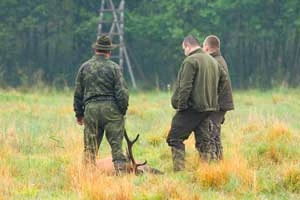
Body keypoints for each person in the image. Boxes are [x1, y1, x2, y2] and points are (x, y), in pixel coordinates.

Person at [166, 35, 227, 172]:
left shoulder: (190, 61)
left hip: (192, 109)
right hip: (208, 109)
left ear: (188, 46)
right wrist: (213, 96)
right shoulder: (212, 60)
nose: (184, 52)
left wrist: (181, 107)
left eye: (184, 49)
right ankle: (206, 171)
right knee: (204, 142)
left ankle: (179, 171)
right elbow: (224, 79)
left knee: (174, 137)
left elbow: (185, 87)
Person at [73, 35, 129, 174]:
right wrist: (121, 111)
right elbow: (122, 93)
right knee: (117, 148)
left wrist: (79, 114)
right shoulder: (114, 68)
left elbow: (78, 94)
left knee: (90, 148)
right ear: (109, 51)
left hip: (91, 110)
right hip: (111, 110)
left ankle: (87, 177)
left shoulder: (84, 68)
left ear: (96, 49)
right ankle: (121, 177)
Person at [203, 35, 234, 160]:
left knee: (210, 134)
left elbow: (212, 87)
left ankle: (213, 163)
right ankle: (219, 162)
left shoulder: (213, 62)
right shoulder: (219, 59)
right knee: (214, 134)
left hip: (217, 104)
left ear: (206, 48)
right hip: (221, 104)